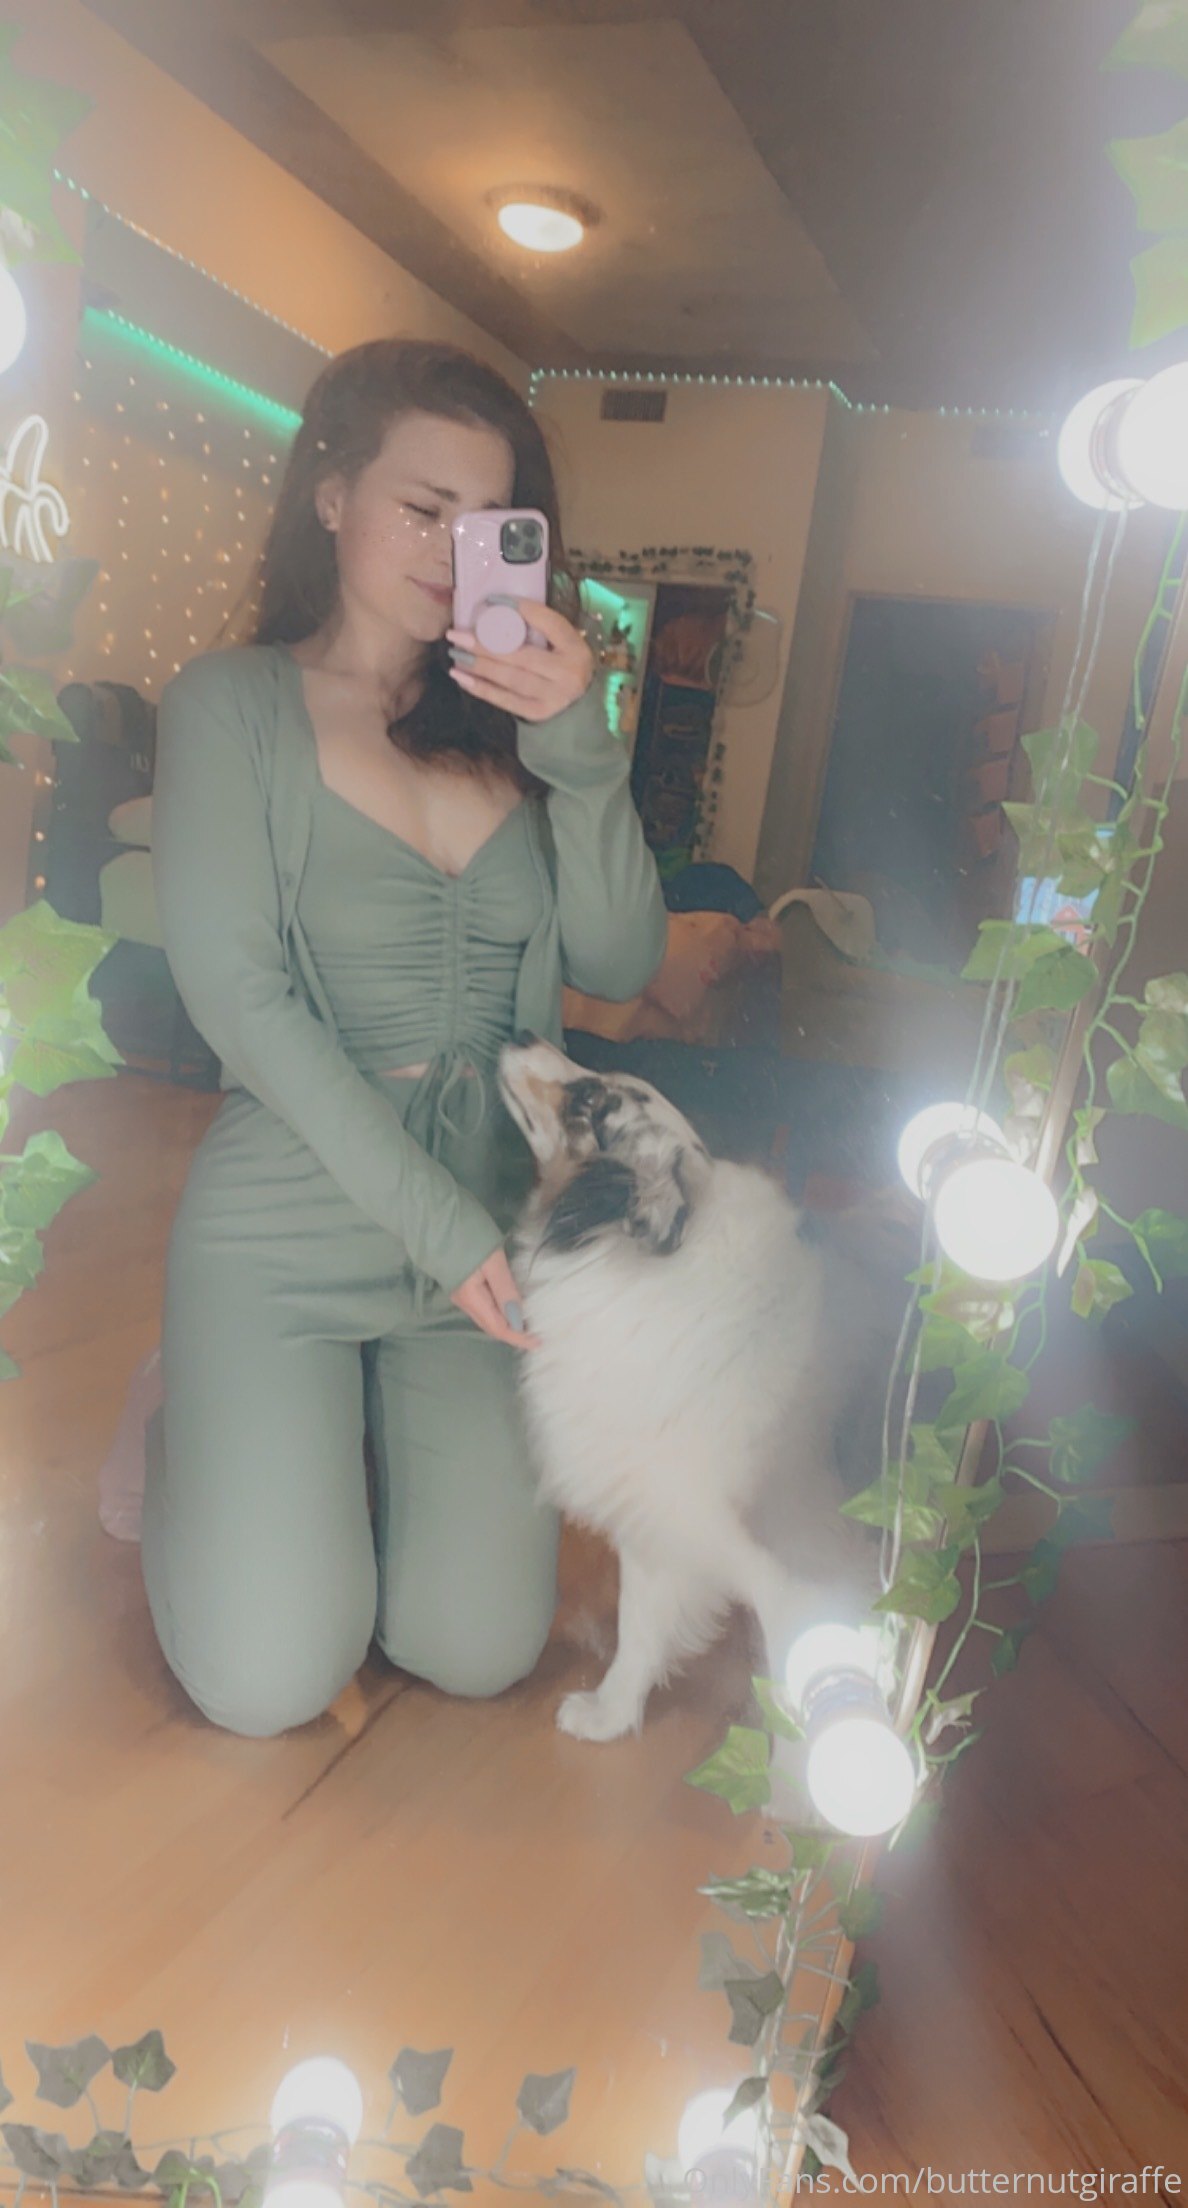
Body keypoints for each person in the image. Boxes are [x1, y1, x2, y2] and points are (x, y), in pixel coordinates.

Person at [140, 338, 667, 1739]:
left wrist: (582, 744)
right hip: (295, 1224)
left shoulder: (519, 738)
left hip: (483, 1244)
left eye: (490, 523)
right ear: (331, 495)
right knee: (267, 1681)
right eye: (423, 508)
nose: (452, 552)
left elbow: (622, 962)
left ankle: (329, 1470)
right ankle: (200, 1430)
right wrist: (442, 1229)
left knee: (478, 1648)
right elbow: (239, 996)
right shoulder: (230, 704)